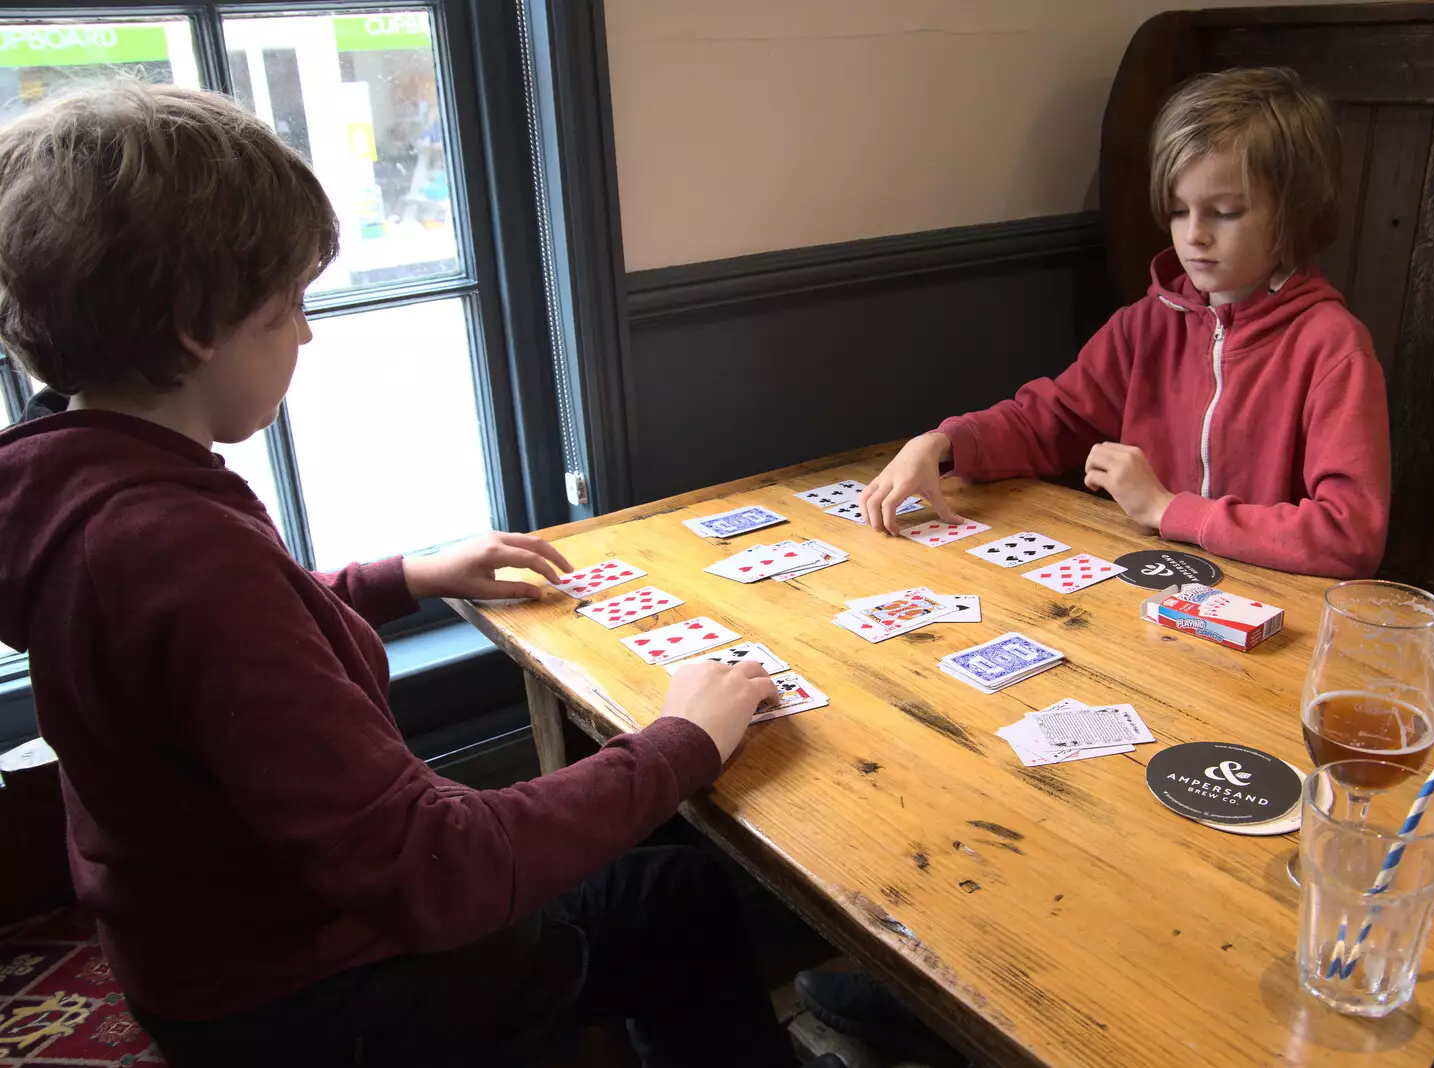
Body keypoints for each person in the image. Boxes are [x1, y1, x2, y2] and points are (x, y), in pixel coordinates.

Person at [0, 81, 840, 1068]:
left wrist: (408, 575)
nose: (305, 336)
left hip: (193, 953)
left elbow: (220, 647)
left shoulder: (72, 482)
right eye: (289, 308)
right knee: (671, 896)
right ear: (195, 323)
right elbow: (434, 873)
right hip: (304, 999)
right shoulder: (174, 544)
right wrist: (679, 743)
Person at [861, 67, 1390, 580]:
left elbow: (1350, 537)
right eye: (1179, 211)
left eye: (1225, 212)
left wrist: (1168, 510)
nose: (1194, 235)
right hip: (1146, 599)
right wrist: (940, 443)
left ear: (1294, 217)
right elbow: (1048, 421)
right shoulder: (1145, 325)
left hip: (1271, 621)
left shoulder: (1332, 347)